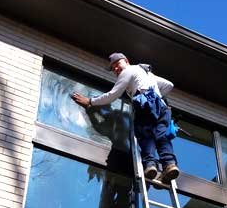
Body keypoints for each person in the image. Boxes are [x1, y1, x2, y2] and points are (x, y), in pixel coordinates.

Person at [71, 53, 179, 183]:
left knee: (146, 136)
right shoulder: (145, 73)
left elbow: (113, 95)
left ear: (126, 61)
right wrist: (156, 96)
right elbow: (169, 85)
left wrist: (90, 101)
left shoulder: (127, 71)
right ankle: (169, 165)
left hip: (146, 107)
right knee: (161, 136)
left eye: (117, 64)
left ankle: (150, 165)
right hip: (162, 108)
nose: (116, 69)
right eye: (113, 68)